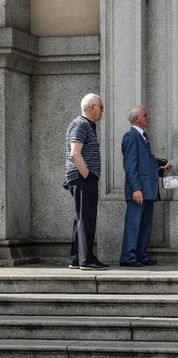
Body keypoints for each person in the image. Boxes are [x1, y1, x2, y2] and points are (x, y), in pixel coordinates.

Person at [119, 105, 168, 267]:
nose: (149, 117)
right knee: (134, 225)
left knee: (145, 226)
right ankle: (129, 257)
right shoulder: (131, 137)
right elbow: (130, 166)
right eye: (145, 115)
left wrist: (161, 170)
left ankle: (140, 255)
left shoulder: (143, 137)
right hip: (139, 191)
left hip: (148, 190)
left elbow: (145, 164)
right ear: (136, 119)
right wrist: (136, 189)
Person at [64, 93, 109, 271]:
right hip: (83, 179)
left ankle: (76, 258)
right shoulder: (81, 124)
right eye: (101, 107)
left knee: (80, 218)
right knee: (86, 218)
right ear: (91, 108)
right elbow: (75, 152)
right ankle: (86, 260)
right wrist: (87, 175)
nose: (102, 111)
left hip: (81, 179)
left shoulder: (85, 125)